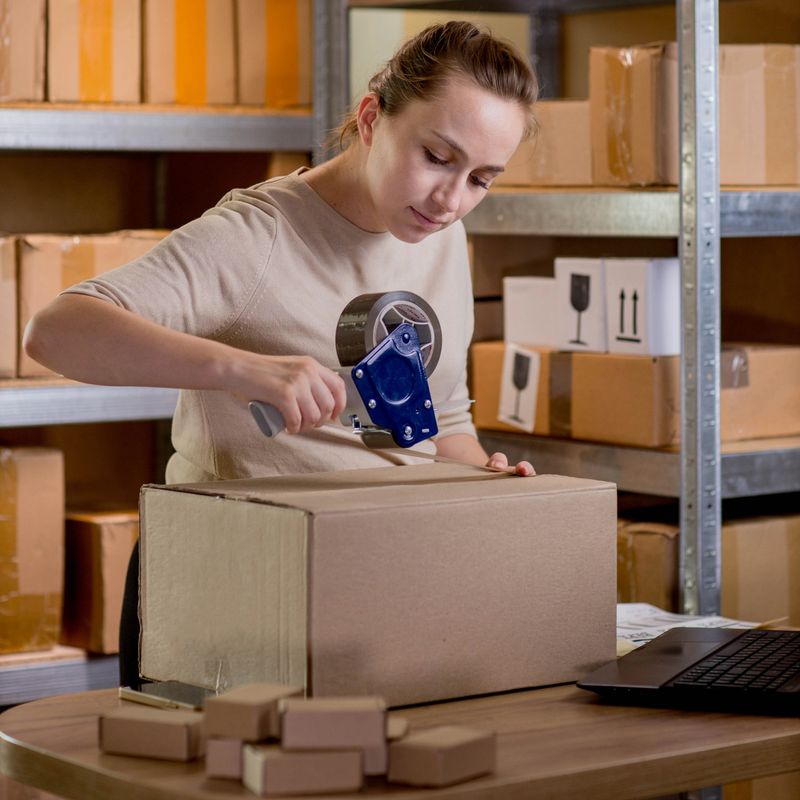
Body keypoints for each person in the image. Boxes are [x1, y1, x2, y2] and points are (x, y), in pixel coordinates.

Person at [24, 20, 538, 686]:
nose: (451, 199)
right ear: (372, 118)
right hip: (229, 584)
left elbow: (444, 425)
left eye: (481, 179)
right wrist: (237, 369)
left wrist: (488, 487)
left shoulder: (437, 235)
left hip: (373, 578)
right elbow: (57, 330)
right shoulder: (257, 234)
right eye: (438, 157)